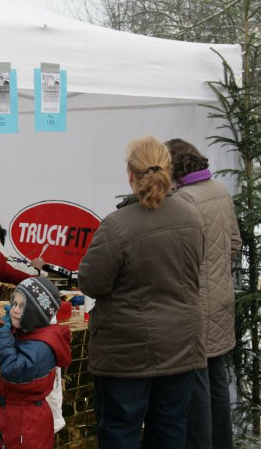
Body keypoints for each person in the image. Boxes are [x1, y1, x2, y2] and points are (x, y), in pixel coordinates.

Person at [78, 135, 206, 448]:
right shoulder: (191, 218)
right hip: (180, 346)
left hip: (126, 354)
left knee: (121, 431)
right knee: (170, 430)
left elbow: (92, 283)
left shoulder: (117, 225)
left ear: (131, 175)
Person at [166, 138, 241, 449]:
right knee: (216, 379)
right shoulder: (220, 191)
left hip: (194, 304)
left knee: (196, 386)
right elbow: (235, 244)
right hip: (222, 300)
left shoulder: (183, 202)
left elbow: (178, 261)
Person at [0, 277, 72, 448]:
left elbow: (13, 372)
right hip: (14, 418)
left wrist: (3, 335)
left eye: (22, 306)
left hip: (25, 425)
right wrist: (10, 329)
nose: (15, 310)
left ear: (36, 312)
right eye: (14, 303)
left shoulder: (42, 346)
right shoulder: (30, 333)